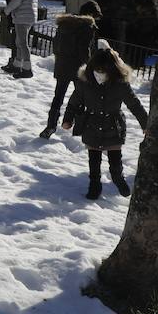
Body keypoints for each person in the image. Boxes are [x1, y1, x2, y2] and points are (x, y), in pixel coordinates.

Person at [62, 45, 149, 199]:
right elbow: (74, 102)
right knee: (94, 161)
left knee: (115, 160)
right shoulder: (85, 82)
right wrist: (68, 119)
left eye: (104, 71)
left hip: (113, 126)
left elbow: (134, 104)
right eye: (97, 70)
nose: (100, 74)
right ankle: (94, 185)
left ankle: (118, 178)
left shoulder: (120, 84)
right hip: (92, 125)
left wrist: (145, 124)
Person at [39, 0, 103, 139]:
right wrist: (90, 66)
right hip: (78, 67)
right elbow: (84, 50)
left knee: (58, 97)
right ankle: (76, 127)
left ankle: (50, 126)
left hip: (62, 65)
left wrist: (60, 58)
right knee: (81, 97)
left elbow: (55, 44)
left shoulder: (65, 23)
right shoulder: (87, 27)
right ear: (91, 14)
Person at [2, 0, 39, 78]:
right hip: (30, 15)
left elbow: (17, 0)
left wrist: (7, 10)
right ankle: (17, 65)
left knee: (22, 43)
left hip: (22, 15)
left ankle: (27, 69)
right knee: (19, 42)